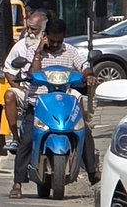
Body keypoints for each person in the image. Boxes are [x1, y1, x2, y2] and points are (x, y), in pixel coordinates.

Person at [9, 18, 98, 199]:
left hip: (63, 103)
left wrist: (89, 75)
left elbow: (84, 67)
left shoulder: (71, 51)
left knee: (84, 131)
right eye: (52, 40)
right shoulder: (35, 50)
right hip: (38, 103)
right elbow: (33, 73)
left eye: (59, 40)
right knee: (26, 140)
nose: (56, 44)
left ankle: (92, 172)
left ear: (64, 37)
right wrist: (40, 52)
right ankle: (17, 183)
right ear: (45, 36)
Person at [2, 10, 48, 152]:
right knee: (9, 95)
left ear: (44, 30)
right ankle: (15, 138)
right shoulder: (22, 46)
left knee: (78, 103)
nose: (29, 32)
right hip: (30, 92)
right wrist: (18, 86)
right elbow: (8, 69)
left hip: (55, 92)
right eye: (27, 28)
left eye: (33, 29)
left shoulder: (61, 47)